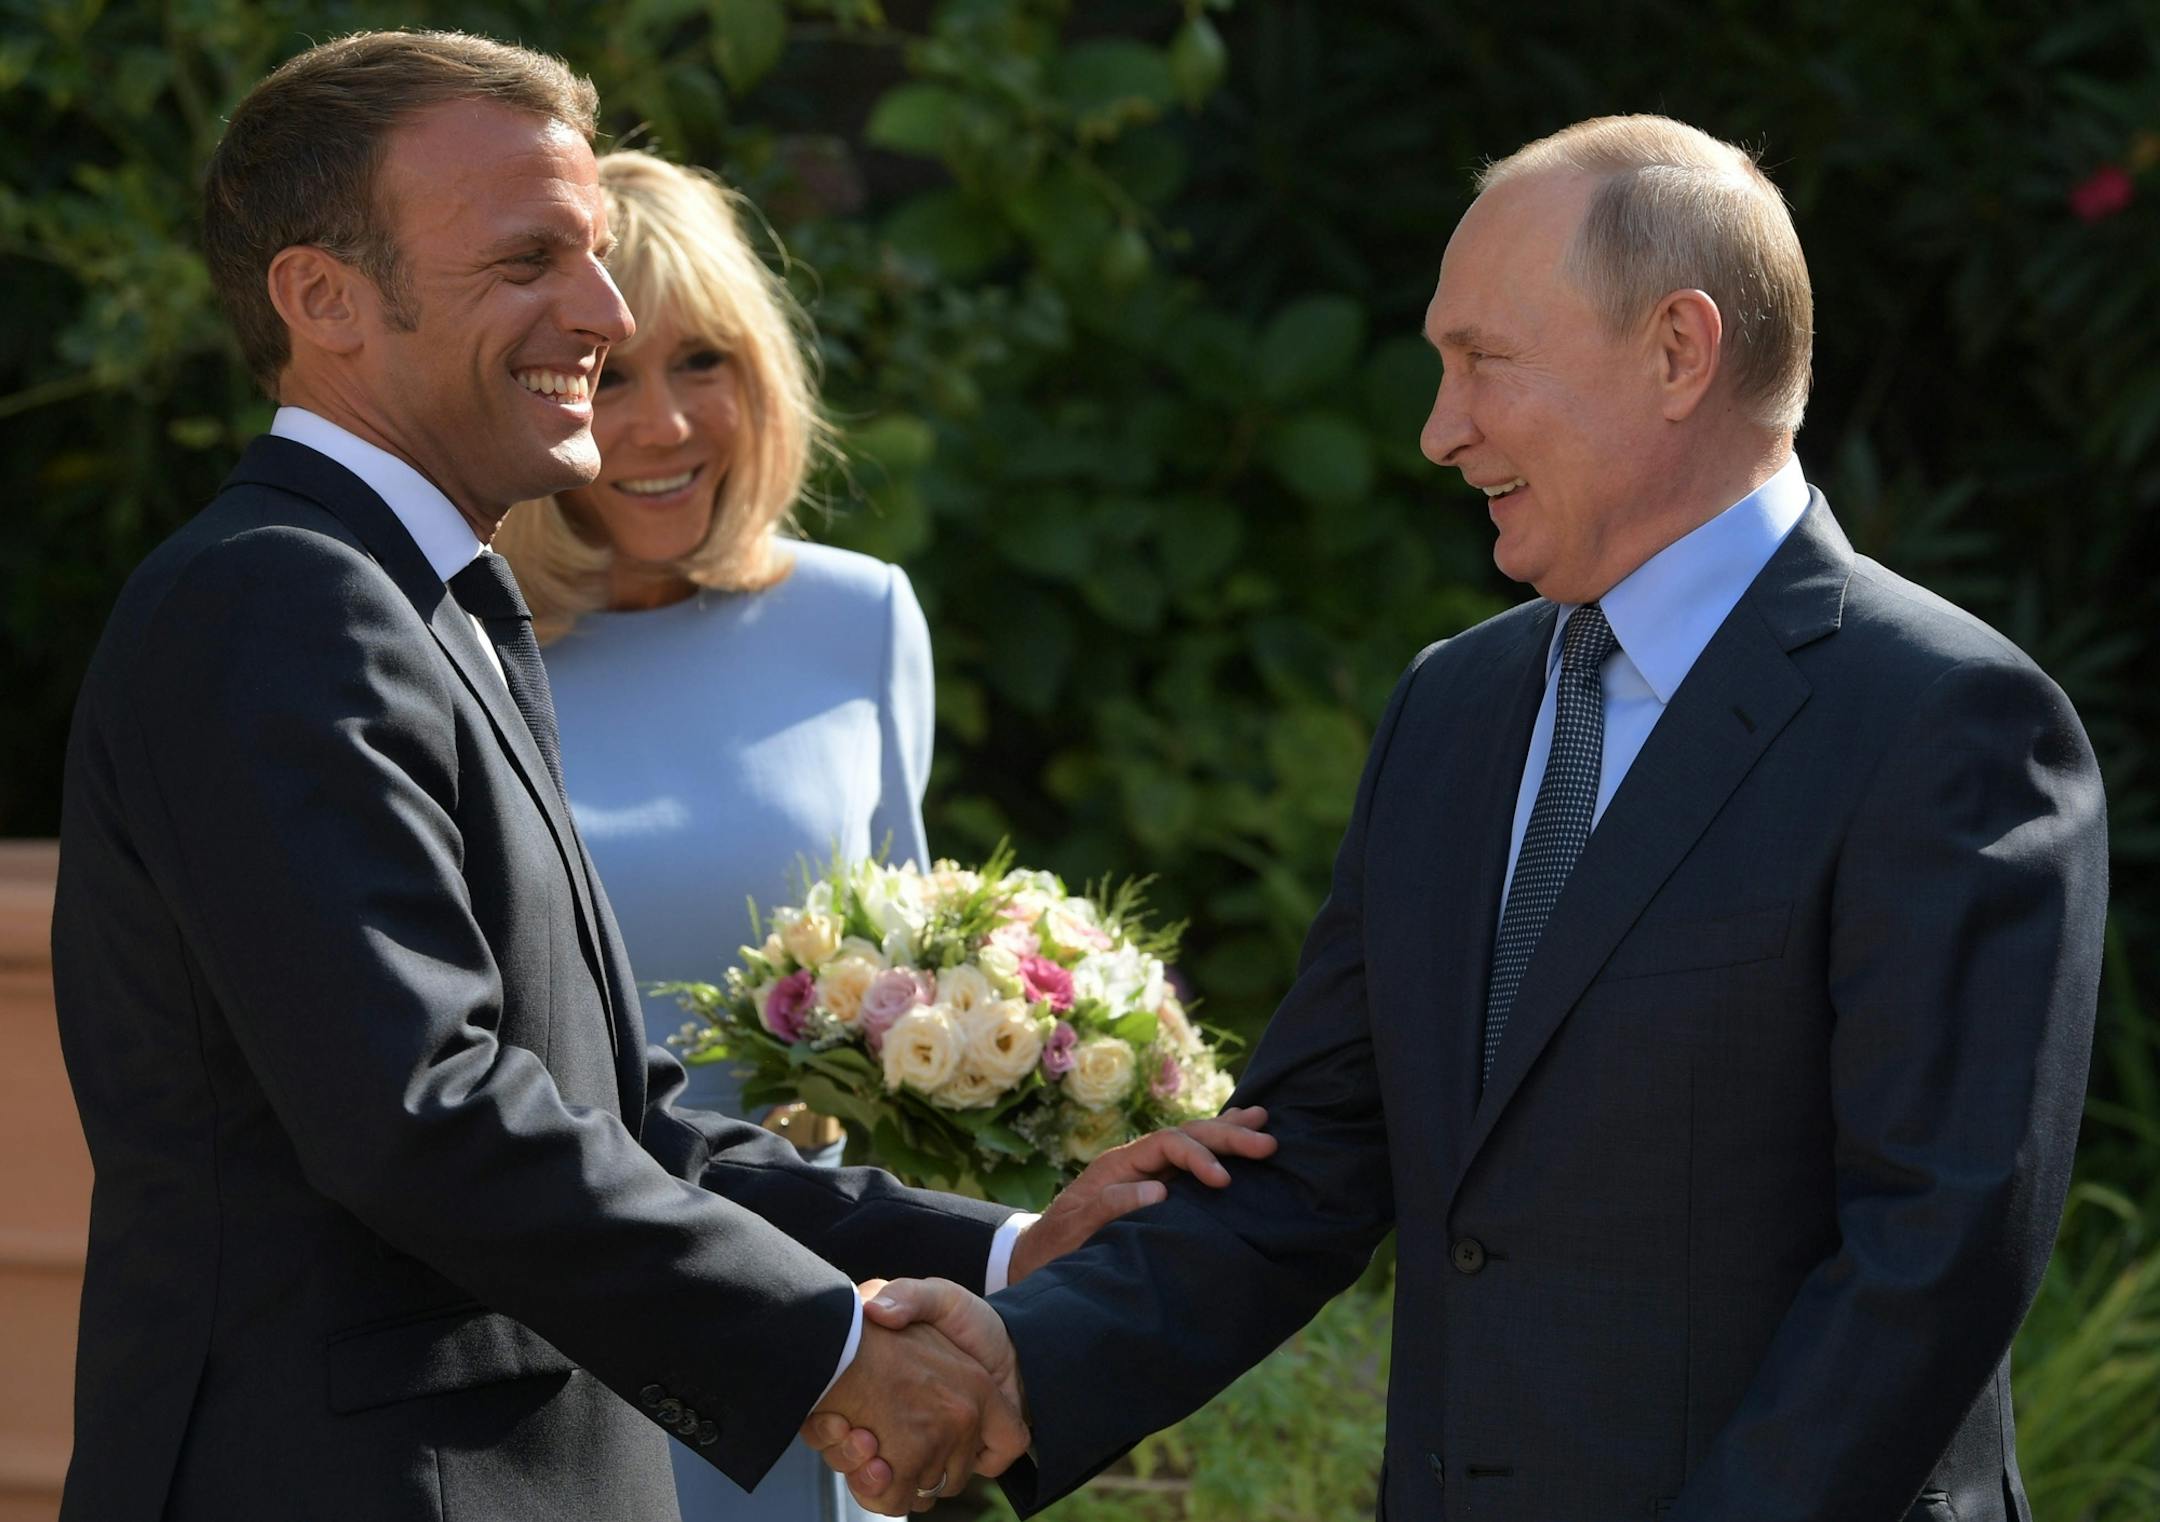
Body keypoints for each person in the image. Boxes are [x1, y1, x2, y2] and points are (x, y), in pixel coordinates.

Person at [50, 31, 1270, 1522]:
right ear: (325, 299)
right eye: (529, 260)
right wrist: (835, 1354)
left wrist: (1004, 1252)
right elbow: (423, 1110)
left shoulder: (429, 605)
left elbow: (620, 1115)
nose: (603, 311)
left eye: (598, 254)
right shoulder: (275, 602)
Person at [823, 115, 2109, 1521]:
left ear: (1679, 349)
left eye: (1483, 361)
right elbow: (1309, 1151)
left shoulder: (1944, 722)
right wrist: (1023, 1353)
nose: (1440, 431)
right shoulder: (1455, 706)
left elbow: (1931, 1259)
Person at [490, 146, 948, 1521]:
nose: (665, 424)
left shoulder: (860, 621)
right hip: (535, 1352)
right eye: (608, 373)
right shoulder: (452, 647)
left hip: (807, 1350)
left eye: (704, 362)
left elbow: (905, 994)